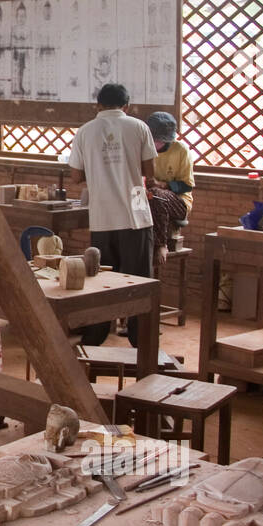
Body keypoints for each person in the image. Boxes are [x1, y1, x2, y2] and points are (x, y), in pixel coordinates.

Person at [67, 82, 156, 345]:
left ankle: (95, 335)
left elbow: (75, 176)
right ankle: (142, 340)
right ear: (126, 106)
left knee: (101, 279)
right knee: (138, 281)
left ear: (98, 105)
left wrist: (98, 171)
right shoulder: (139, 127)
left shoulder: (84, 132)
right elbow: (149, 173)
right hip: (136, 215)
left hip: (102, 217)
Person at [143, 111, 195, 273]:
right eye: (153, 140)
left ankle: (161, 244)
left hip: (178, 202)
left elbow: (187, 185)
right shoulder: (143, 148)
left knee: (157, 196)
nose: (156, 144)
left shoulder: (180, 150)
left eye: (159, 141)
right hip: (149, 196)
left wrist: (162, 185)